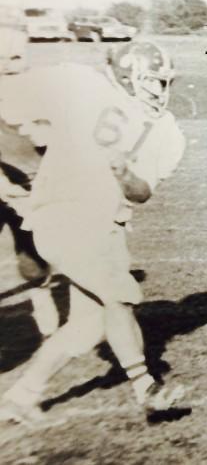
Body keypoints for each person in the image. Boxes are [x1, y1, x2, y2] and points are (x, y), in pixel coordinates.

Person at [0, 41, 188, 426]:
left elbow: (143, 192)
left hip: (107, 224)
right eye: (152, 81)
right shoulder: (82, 84)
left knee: (87, 326)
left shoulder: (167, 131)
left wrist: (124, 174)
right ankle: (146, 389)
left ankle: (22, 396)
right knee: (120, 292)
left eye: (163, 81)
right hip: (63, 212)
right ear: (127, 76)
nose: (160, 90)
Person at [0, 26, 59, 338]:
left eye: (17, 56)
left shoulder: (38, 92)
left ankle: (42, 297)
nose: (10, 64)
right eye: (3, 56)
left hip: (29, 183)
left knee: (33, 251)